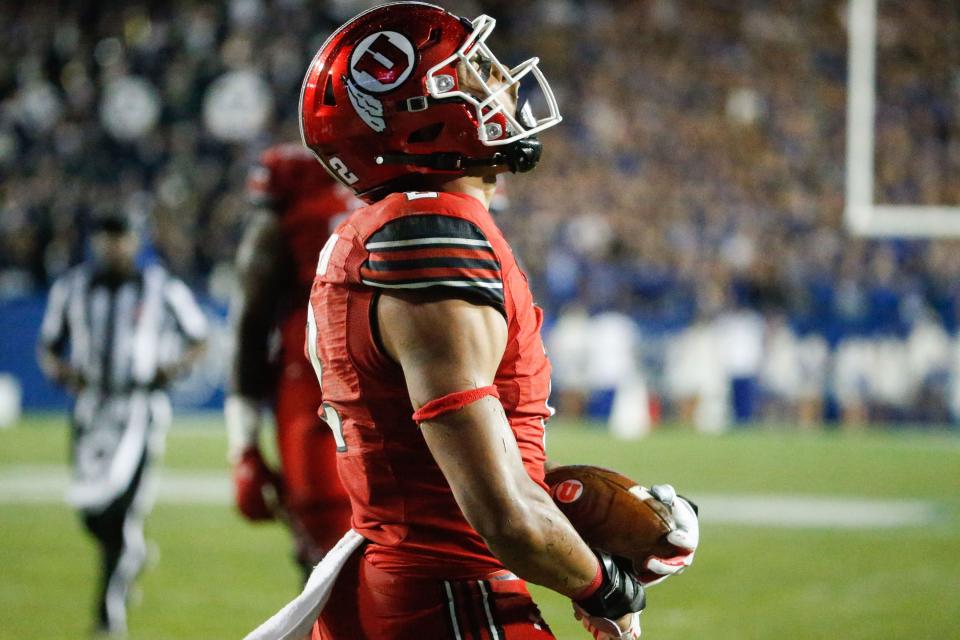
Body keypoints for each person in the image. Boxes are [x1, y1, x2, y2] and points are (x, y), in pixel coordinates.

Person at [249, 4, 699, 640]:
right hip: (451, 601)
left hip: (417, 588)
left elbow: (453, 471)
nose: (501, 88)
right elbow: (498, 512)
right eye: (470, 75)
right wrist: (606, 587)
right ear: (419, 120)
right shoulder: (430, 239)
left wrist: (567, 516)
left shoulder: (394, 229)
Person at [36, 213, 208, 637]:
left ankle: (107, 616)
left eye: (121, 238)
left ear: (135, 241)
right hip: (91, 412)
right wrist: (61, 372)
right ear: (96, 242)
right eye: (106, 238)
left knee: (123, 511)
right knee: (91, 512)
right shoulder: (72, 287)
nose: (114, 246)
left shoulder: (160, 286)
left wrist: (173, 369)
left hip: (140, 411)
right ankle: (130, 554)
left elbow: (199, 337)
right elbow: (48, 345)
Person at [225, 142, 360, 576]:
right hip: (319, 396)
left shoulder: (417, 171)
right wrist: (242, 442)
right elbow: (251, 316)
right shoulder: (299, 181)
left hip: (402, 392)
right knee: (330, 549)